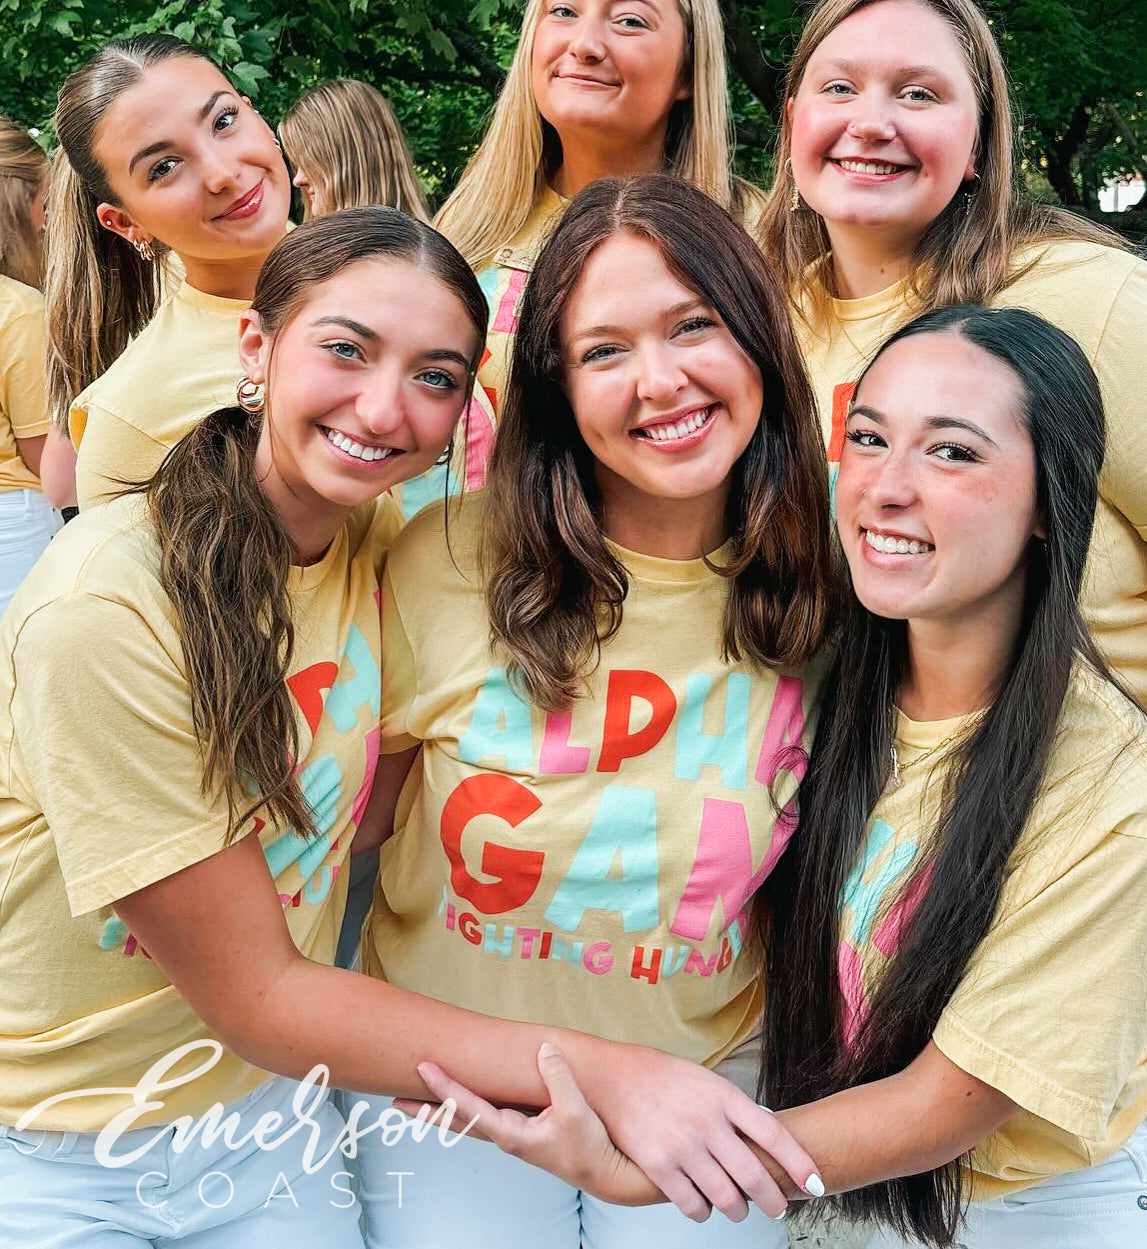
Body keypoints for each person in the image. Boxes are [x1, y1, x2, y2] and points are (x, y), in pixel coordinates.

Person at [0, 206, 821, 1246]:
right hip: (63, 1136)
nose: (384, 407)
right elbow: (260, 989)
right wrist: (615, 1070)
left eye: (435, 375)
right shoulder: (108, 609)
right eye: (345, 348)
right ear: (254, 346)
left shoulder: (375, 542)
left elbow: (384, 809)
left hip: (262, 1116)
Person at [416, 305, 1147, 1248]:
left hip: (1015, 1211)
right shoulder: (825, 669)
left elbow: (942, 1105)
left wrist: (639, 1169)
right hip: (823, 1186)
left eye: (953, 454)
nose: (886, 487)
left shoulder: (1107, 785)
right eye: (869, 437)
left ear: (1049, 502)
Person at [347, 174, 837, 1248]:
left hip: (705, 1072)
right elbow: (355, 825)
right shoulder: (444, 557)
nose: (659, 381)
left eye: (692, 325)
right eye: (603, 350)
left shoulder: (838, 573)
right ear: (556, 386)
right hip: (450, 1088)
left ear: (757, 335)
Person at [755, 0, 1147, 699]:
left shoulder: (1085, 296)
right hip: (867, 791)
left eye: (917, 93)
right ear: (792, 122)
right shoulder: (764, 329)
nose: (869, 123)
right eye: (837, 87)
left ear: (976, 144)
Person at [434, 0, 766, 499]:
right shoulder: (456, 242)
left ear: (688, 70)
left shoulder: (760, 239)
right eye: (562, 12)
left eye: (630, 21)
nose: (584, 45)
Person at [44, 33, 293, 510]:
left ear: (255, 113)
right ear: (125, 221)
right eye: (165, 167)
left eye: (224, 121)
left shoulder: (385, 272)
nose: (222, 172)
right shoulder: (133, 414)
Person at [0, 117, 61, 611]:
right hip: (13, 527)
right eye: (42, 202)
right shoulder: (19, 310)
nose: (46, 221)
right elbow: (45, 459)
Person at [277, 77, 430, 222]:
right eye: (297, 166)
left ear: (350, 162)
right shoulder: (428, 244)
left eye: (310, 162)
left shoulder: (400, 247)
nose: (298, 181)